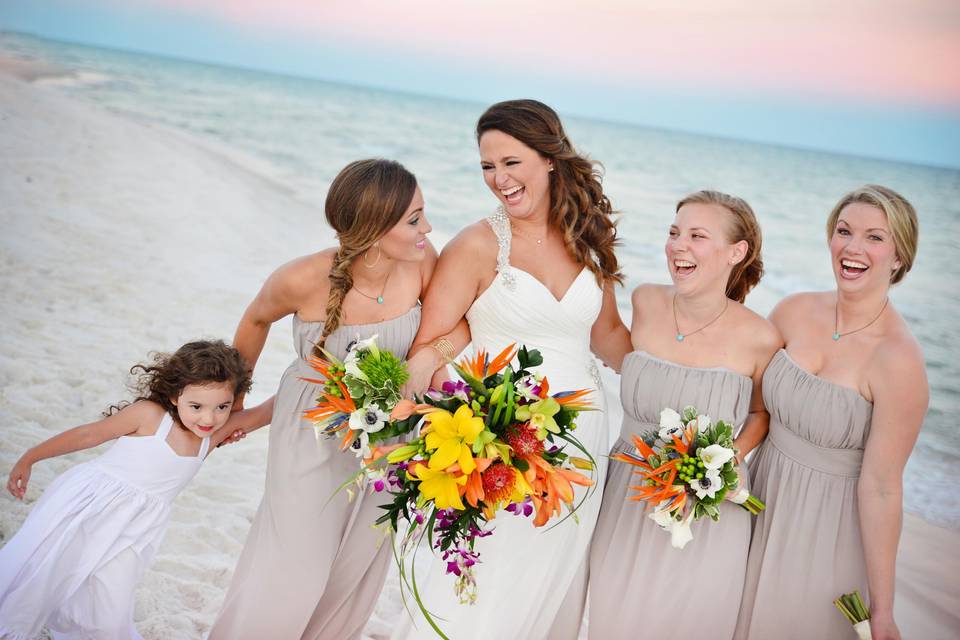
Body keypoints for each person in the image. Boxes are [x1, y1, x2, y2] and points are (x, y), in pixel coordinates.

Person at [397, 99, 631, 640]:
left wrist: (681, 375)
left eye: (511, 162)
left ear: (549, 159)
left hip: (582, 445)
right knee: (481, 586)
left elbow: (611, 338)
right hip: (500, 441)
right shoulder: (479, 244)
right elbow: (432, 339)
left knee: (544, 588)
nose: (498, 179)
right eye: (487, 166)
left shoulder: (587, 238)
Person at [210, 159, 438, 639]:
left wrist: (426, 362)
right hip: (309, 429)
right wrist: (236, 408)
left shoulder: (423, 260)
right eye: (414, 219)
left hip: (389, 432)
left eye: (423, 214)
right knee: (293, 560)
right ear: (375, 230)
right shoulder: (300, 277)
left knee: (355, 565)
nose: (427, 228)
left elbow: (452, 323)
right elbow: (254, 321)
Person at [735, 185, 927, 640]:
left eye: (875, 238)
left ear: (899, 257)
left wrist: (883, 611)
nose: (853, 248)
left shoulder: (899, 360)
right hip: (757, 504)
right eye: (844, 231)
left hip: (827, 534)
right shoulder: (793, 310)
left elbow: (881, 488)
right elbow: (750, 406)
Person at [589, 190, 780, 639]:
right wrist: (593, 257)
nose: (678, 245)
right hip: (627, 495)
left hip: (705, 512)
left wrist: (724, 461)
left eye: (697, 235)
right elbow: (608, 341)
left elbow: (761, 414)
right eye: (674, 233)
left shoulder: (761, 337)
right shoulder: (646, 302)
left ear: (737, 252)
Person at [0, 340, 270, 639]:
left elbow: (269, 410)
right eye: (196, 407)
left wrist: (322, 373)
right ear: (173, 395)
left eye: (222, 407)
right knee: (42, 573)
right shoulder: (150, 416)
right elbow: (89, 435)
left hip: (138, 527)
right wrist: (31, 457)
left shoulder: (214, 435)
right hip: (92, 506)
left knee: (110, 599)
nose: (209, 418)